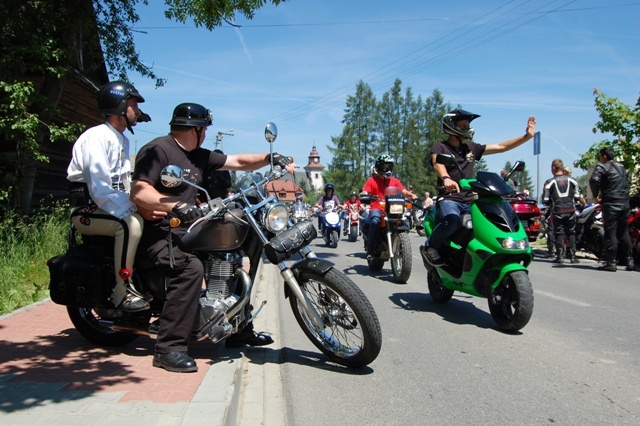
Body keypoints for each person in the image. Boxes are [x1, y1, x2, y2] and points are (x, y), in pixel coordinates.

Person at [130, 102, 296, 373]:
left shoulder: (199, 156)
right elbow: (138, 191)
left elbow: (239, 162)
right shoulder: (158, 149)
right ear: (193, 129)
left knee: (236, 249)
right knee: (191, 268)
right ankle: (168, 347)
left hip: (191, 229)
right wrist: (175, 205)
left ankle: (239, 328)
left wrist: (270, 158)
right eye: (203, 129)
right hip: (161, 231)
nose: (206, 134)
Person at [67, 81, 149, 312]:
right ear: (120, 106)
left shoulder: (120, 139)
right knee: (130, 225)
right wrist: (134, 208)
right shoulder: (96, 137)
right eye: (134, 105)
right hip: (88, 210)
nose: (138, 111)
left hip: (106, 206)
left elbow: (123, 183)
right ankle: (124, 292)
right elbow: (100, 190)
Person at [422, 109, 536, 266]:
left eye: (468, 125)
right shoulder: (440, 147)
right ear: (451, 126)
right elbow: (438, 163)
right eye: (463, 125)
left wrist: (526, 137)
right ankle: (431, 247)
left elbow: (500, 146)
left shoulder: (470, 148)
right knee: (453, 220)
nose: (467, 129)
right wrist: (446, 178)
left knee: (490, 224)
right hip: (450, 198)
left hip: (471, 199)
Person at [362, 154, 417, 258]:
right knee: (374, 221)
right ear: (378, 167)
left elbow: (403, 191)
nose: (386, 169)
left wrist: (413, 195)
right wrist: (364, 195)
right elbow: (365, 191)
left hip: (392, 207)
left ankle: (401, 244)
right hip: (377, 207)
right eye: (384, 166)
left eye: (388, 166)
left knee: (404, 221)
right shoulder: (371, 180)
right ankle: (370, 249)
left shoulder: (395, 181)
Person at [589, 146, 634, 272]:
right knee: (624, 232)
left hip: (611, 203)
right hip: (624, 203)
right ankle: (630, 261)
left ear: (604, 156)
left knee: (610, 232)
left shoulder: (602, 167)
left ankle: (611, 262)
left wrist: (595, 194)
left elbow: (594, 180)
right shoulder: (621, 167)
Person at [542, 158, 582, 264]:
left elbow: (545, 199)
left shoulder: (549, 182)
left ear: (553, 168)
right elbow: (577, 196)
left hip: (557, 210)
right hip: (570, 210)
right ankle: (573, 256)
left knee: (559, 233)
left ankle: (559, 256)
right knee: (571, 232)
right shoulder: (573, 180)